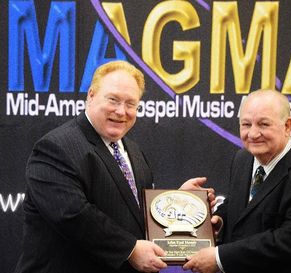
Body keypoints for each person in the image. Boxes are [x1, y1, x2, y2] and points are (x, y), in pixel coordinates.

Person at [14, 60, 214, 273]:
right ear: (91, 96)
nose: (121, 111)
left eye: (131, 104)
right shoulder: (55, 147)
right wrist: (130, 249)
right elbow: (71, 214)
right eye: (113, 100)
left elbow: (132, 212)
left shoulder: (133, 151)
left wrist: (177, 202)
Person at [183, 89, 291, 273]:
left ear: (288, 126)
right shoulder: (243, 158)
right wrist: (219, 223)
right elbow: (241, 207)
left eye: (263, 124)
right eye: (246, 124)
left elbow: (286, 243)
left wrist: (219, 258)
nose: (253, 133)